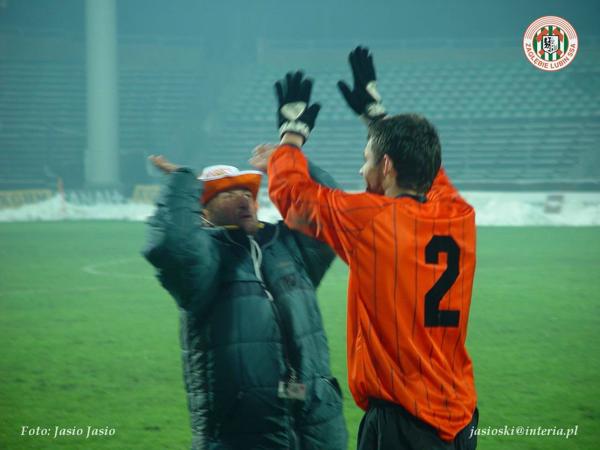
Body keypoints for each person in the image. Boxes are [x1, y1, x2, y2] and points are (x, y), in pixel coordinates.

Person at [250, 47, 478, 449]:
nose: (361, 169)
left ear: (386, 167)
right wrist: (376, 116)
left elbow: (295, 198)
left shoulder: (371, 220)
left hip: (405, 421)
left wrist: (291, 136)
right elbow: (427, 166)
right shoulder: (459, 214)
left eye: (367, 159)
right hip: (460, 417)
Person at [143, 155, 347, 450]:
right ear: (203, 212)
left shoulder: (288, 244)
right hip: (243, 435)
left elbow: (332, 213)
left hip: (317, 428)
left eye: (246, 193)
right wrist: (183, 181)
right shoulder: (204, 262)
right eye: (226, 195)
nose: (242, 200)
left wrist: (290, 161)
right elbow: (173, 245)